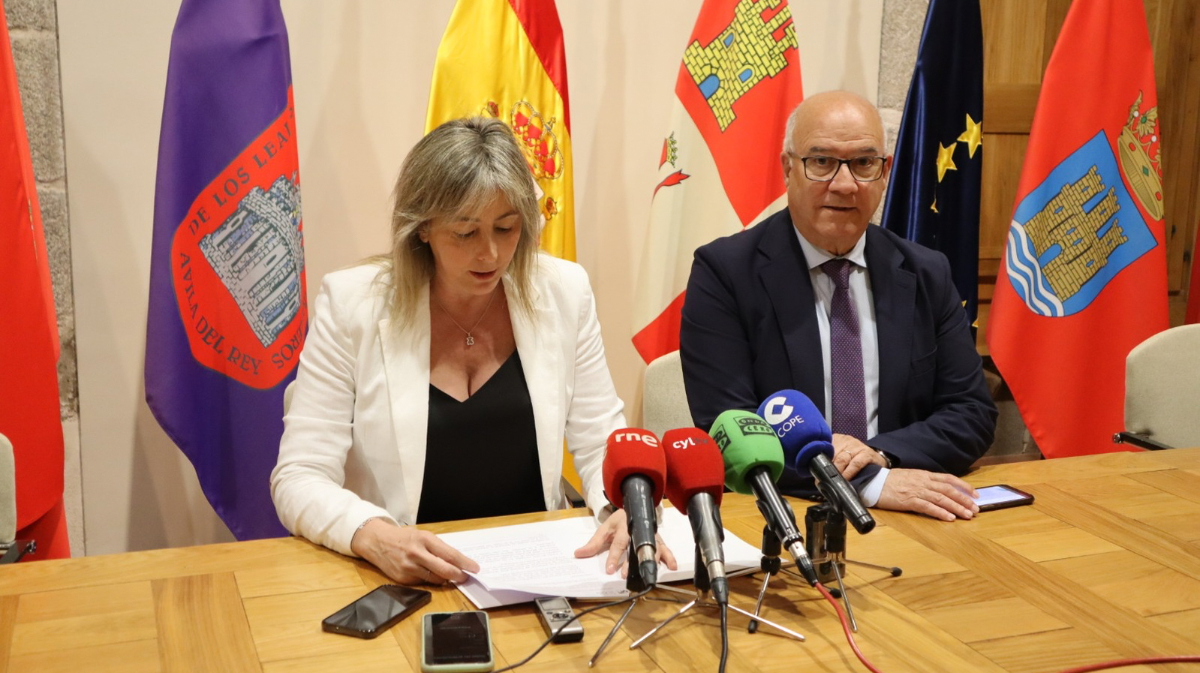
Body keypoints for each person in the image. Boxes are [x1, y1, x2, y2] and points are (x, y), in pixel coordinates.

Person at [272, 117, 674, 585]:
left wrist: (621, 507)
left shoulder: (564, 291)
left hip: (539, 570)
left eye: (506, 228)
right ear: (422, 227)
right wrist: (373, 535)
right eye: (465, 233)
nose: (490, 254)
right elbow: (299, 476)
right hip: (406, 577)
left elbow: (601, 441)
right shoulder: (351, 304)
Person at [680, 91, 998, 522]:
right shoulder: (725, 272)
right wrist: (868, 484)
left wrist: (879, 456)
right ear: (787, 168)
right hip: (782, 515)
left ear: (885, 172)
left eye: (864, 163)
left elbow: (971, 413)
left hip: (909, 505)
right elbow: (731, 429)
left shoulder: (926, 271)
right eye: (821, 161)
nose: (845, 184)